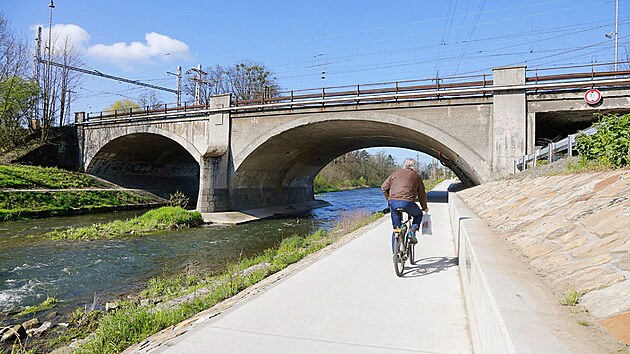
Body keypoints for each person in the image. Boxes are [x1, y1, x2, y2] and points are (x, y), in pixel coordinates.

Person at [381, 158, 429, 247]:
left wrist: (389, 200)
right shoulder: (416, 176)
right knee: (418, 215)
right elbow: (422, 194)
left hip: (393, 203)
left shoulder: (395, 173)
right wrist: (424, 207)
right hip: (408, 203)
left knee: (396, 228)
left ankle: (396, 253)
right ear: (414, 166)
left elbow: (383, 188)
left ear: (404, 165)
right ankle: (412, 232)